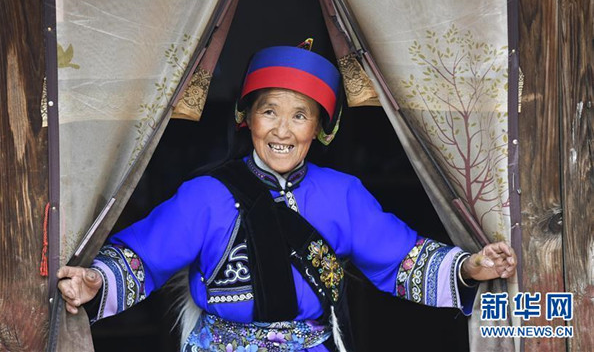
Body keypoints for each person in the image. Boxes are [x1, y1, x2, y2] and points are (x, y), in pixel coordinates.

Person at [57, 41, 517, 352]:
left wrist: (470, 267)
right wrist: (96, 281)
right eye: (269, 112)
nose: (282, 130)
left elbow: (401, 259)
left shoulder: (342, 194)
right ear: (247, 119)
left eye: (300, 115)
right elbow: (145, 257)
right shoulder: (204, 197)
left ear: (319, 128)